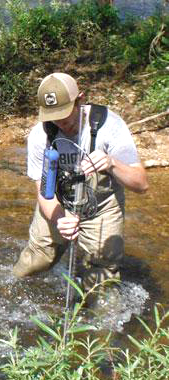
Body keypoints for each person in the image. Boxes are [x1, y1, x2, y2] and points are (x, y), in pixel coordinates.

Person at [13, 73, 148, 292]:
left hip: (101, 208)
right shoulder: (40, 136)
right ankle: (13, 292)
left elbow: (141, 185)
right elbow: (43, 192)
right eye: (53, 116)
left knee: (99, 279)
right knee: (37, 261)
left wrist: (111, 163)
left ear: (80, 100)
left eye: (64, 114)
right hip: (58, 202)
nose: (60, 122)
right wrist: (59, 219)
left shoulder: (109, 126)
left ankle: (99, 323)